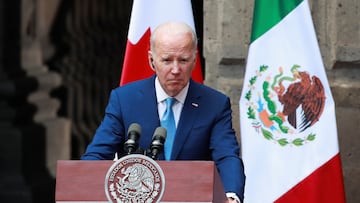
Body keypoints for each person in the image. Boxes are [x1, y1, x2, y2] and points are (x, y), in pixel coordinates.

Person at [81, 21, 245, 203]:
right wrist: (83, 188)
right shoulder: (125, 100)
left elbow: (226, 156)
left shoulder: (215, 104)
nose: (175, 70)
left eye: (183, 60)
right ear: (152, 60)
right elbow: (97, 154)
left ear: (194, 59)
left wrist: (231, 196)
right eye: (167, 60)